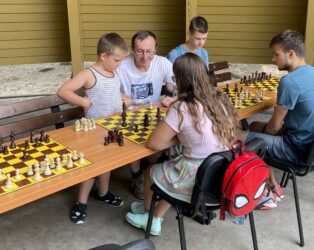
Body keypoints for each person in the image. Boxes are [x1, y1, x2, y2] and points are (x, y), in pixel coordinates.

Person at [125, 53, 242, 235]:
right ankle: (152, 211)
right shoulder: (220, 99)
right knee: (173, 170)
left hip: (197, 177)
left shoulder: (183, 107)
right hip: (222, 172)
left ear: (181, 79)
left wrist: (180, 136)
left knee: (151, 171)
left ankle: (151, 219)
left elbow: (155, 143)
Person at [247, 30, 314, 210]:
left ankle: (266, 194)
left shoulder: (290, 82)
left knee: (238, 138)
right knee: (254, 126)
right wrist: (259, 128)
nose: (273, 59)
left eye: (276, 54)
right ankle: (273, 185)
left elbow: (273, 129)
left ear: (291, 54)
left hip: (298, 151)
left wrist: (257, 133)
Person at [57, 32, 131, 224]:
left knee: (108, 164)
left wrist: (125, 98)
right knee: (91, 168)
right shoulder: (88, 74)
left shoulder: (114, 72)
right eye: (117, 60)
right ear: (103, 56)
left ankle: (103, 192)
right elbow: (63, 91)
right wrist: (83, 101)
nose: (120, 64)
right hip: (95, 129)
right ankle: (81, 203)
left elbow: (113, 91)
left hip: (113, 126)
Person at [117, 30, 176, 199]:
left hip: (154, 113)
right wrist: (120, 97)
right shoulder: (122, 66)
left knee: (178, 124)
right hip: (128, 115)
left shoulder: (163, 63)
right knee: (127, 137)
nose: (145, 56)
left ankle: (163, 165)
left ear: (155, 49)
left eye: (149, 51)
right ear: (132, 50)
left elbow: (182, 87)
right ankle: (137, 176)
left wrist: (174, 98)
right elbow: (108, 90)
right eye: (140, 51)